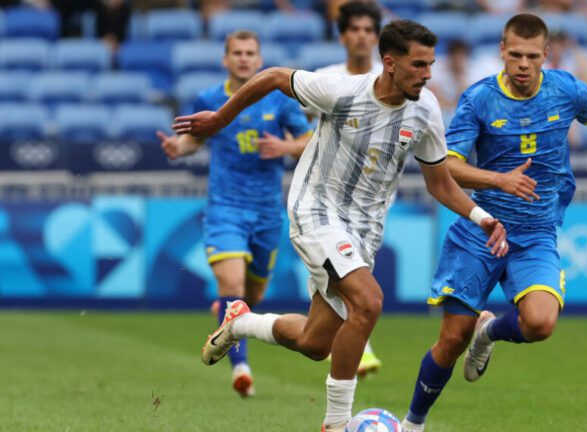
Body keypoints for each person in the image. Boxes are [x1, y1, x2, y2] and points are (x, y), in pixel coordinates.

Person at [174, 20, 510, 431]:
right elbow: (275, 76)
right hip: (315, 212)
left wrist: (481, 216)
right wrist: (221, 120)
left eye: (430, 65)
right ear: (389, 63)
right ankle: (336, 423)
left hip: (363, 231)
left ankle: (240, 323)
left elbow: (439, 183)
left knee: (315, 343)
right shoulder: (343, 92)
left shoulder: (425, 112)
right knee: (368, 301)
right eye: (419, 65)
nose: (427, 74)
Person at [400, 14, 587, 431]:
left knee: (541, 323)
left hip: (535, 233)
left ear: (546, 55)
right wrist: (498, 179)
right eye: (515, 55)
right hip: (482, 229)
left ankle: (490, 332)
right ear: (502, 50)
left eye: (532, 56)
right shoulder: (478, 99)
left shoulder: (565, 89)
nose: (524, 64)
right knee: (451, 340)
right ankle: (412, 424)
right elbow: (447, 166)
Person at [156, 30, 312, 398]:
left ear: (259, 60)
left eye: (250, 53)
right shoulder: (209, 98)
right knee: (233, 288)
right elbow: (195, 138)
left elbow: (308, 140)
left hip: (267, 213)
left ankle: (223, 313)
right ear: (225, 60)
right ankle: (241, 368)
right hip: (225, 208)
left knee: (251, 296)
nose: (243, 58)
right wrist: (178, 148)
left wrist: (286, 145)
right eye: (237, 53)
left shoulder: (279, 98)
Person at [309, 0, 385, 376]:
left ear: (377, 37)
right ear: (342, 36)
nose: (361, 36)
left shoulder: (390, 82)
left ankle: (245, 323)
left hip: (368, 204)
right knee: (358, 293)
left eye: (368, 30)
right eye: (354, 29)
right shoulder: (326, 78)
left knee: (314, 337)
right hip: (324, 202)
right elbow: (301, 131)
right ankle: (362, 354)